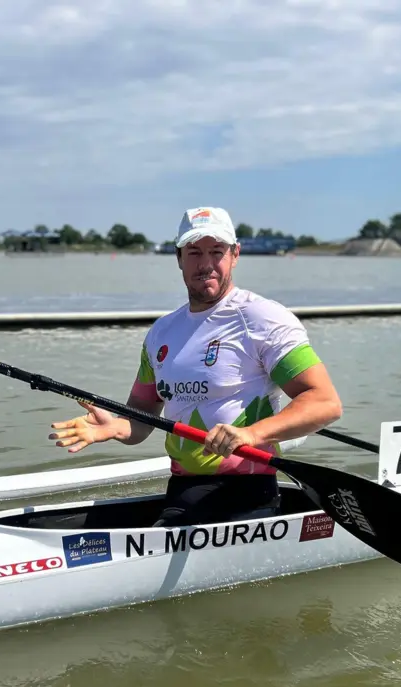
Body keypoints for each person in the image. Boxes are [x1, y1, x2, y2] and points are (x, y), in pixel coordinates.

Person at [48, 206, 342, 526]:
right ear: (178, 258)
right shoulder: (161, 332)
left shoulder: (263, 319)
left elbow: (324, 402)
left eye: (216, 251)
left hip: (247, 493)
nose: (205, 264)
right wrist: (114, 428)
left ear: (235, 254)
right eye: (194, 252)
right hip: (182, 490)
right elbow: (142, 415)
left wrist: (250, 434)